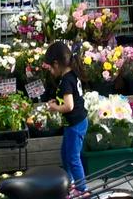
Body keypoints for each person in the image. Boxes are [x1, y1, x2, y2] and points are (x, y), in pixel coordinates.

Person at [45, 41, 88, 193]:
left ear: (56, 64)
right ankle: (68, 183)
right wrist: (56, 102)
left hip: (75, 124)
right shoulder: (71, 75)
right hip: (76, 123)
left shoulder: (66, 81)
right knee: (66, 154)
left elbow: (69, 106)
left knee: (73, 158)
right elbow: (70, 100)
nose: (50, 71)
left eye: (50, 67)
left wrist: (55, 107)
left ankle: (82, 190)